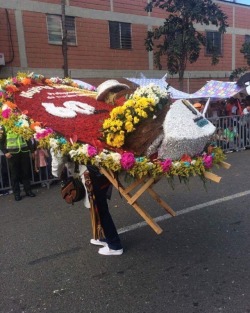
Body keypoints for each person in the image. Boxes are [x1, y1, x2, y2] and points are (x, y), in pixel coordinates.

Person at [86, 165, 123, 256]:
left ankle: (115, 246)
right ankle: (105, 237)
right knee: (100, 208)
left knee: (101, 209)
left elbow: (58, 161)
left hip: (93, 176)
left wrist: (56, 172)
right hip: (100, 173)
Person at [0, 125, 36, 201]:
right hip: (12, 153)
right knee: (14, 174)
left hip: (24, 151)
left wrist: (32, 151)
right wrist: (5, 152)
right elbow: (1, 140)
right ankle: (17, 194)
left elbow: (28, 138)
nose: (15, 112)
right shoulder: (5, 125)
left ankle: (28, 191)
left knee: (26, 173)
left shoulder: (23, 123)